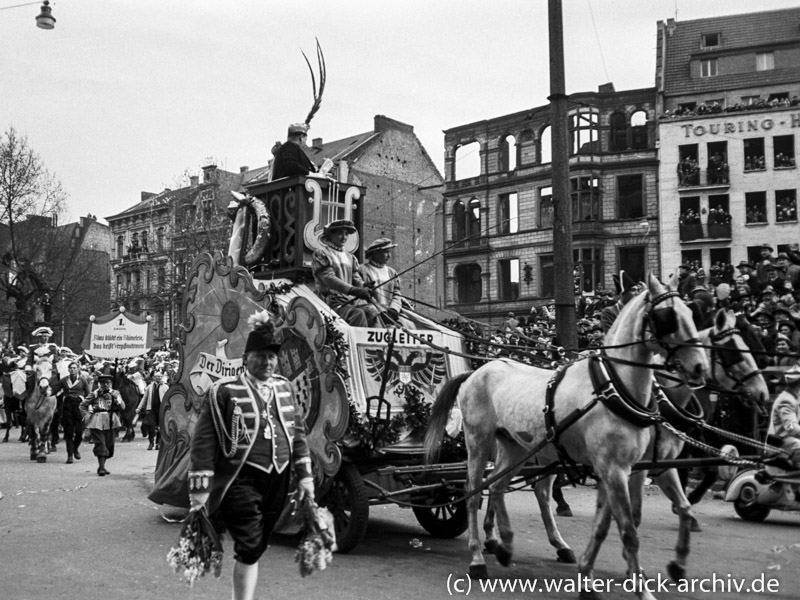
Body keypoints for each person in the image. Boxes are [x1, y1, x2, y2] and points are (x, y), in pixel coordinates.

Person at [188, 310, 314, 600]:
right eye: (261, 356)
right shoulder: (224, 391)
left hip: (278, 478)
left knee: (258, 546)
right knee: (249, 543)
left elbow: (297, 435)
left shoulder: (284, 387)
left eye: (273, 357)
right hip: (239, 478)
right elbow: (204, 443)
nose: (268, 362)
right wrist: (200, 493)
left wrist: (305, 476)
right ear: (246, 358)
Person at [311, 219, 380, 327]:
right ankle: (355, 343)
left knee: (372, 311)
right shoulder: (322, 253)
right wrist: (353, 290)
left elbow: (356, 279)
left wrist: (364, 286)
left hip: (349, 300)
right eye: (339, 233)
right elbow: (329, 279)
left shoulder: (350, 257)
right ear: (330, 235)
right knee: (357, 314)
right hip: (331, 301)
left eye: (346, 234)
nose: (344, 237)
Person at [80, 374, 125, 476]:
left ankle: (103, 465)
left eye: (108, 383)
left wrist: (117, 400)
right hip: (97, 419)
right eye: (102, 383)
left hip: (111, 420)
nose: (105, 385)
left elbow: (123, 407)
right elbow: (82, 405)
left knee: (109, 444)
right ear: (99, 384)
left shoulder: (115, 393)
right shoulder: (94, 394)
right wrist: (87, 415)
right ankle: (101, 467)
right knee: (100, 443)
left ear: (111, 383)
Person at [360, 237, 405, 326]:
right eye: (386, 252)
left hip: (391, 312)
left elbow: (397, 294)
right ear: (376, 253)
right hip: (373, 312)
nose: (389, 256)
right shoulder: (362, 270)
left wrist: (394, 309)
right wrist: (381, 311)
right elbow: (363, 296)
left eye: (390, 252)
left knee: (408, 325)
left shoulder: (392, 272)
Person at [58, 361, 91, 464]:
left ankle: (75, 448)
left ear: (78, 369)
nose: (72, 370)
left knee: (79, 431)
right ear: (68, 370)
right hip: (67, 405)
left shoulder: (82, 380)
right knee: (68, 431)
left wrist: (90, 407)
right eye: (71, 368)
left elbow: (88, 394)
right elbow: (55, 390)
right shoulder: (64, 380)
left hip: (79, 406)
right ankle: (70, 455)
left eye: (74, 368)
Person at [769, 363, 800, 474]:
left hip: (789, 441)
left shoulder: (794, 397)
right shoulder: (787, 400)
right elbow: (791, 427)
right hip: (783, 443)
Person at [136, 371, 167, 450]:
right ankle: (151, 442)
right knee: (151, 426)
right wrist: (139, 408)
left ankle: (158, 443)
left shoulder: (166, 387)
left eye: (160, 376)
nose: (159, 378)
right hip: (151, 409)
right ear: (154, 378)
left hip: (161, 409)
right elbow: (145, 398)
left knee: (160, 426)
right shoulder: (150, 387)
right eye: (157, 376)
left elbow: (168, 399)